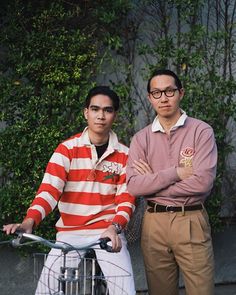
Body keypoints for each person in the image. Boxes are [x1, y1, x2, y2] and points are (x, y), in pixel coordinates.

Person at [3, 86, 136, 295]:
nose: (101, 115)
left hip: (107, 231)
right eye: (95, 109)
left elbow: (126, 200)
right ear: (86, 112)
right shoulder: (67, 149)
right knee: (45, 291)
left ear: (115, 115)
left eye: (108, 110)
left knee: (125, 290)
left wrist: (115, 227)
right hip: (70, 232)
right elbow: (49, 191)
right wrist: (29, 221)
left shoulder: (125, 154)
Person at [126, 69, 217, 295]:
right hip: (153, 223)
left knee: (201, 290)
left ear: (181, 93)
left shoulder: (201, 131)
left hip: (190, 219)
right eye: (156, 93)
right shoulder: (141, 138)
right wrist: (175, 172)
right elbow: (135, 186)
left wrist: (153, 182)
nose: (163, 98)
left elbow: (202, 183)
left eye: (169, 91)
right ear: (149, 97)